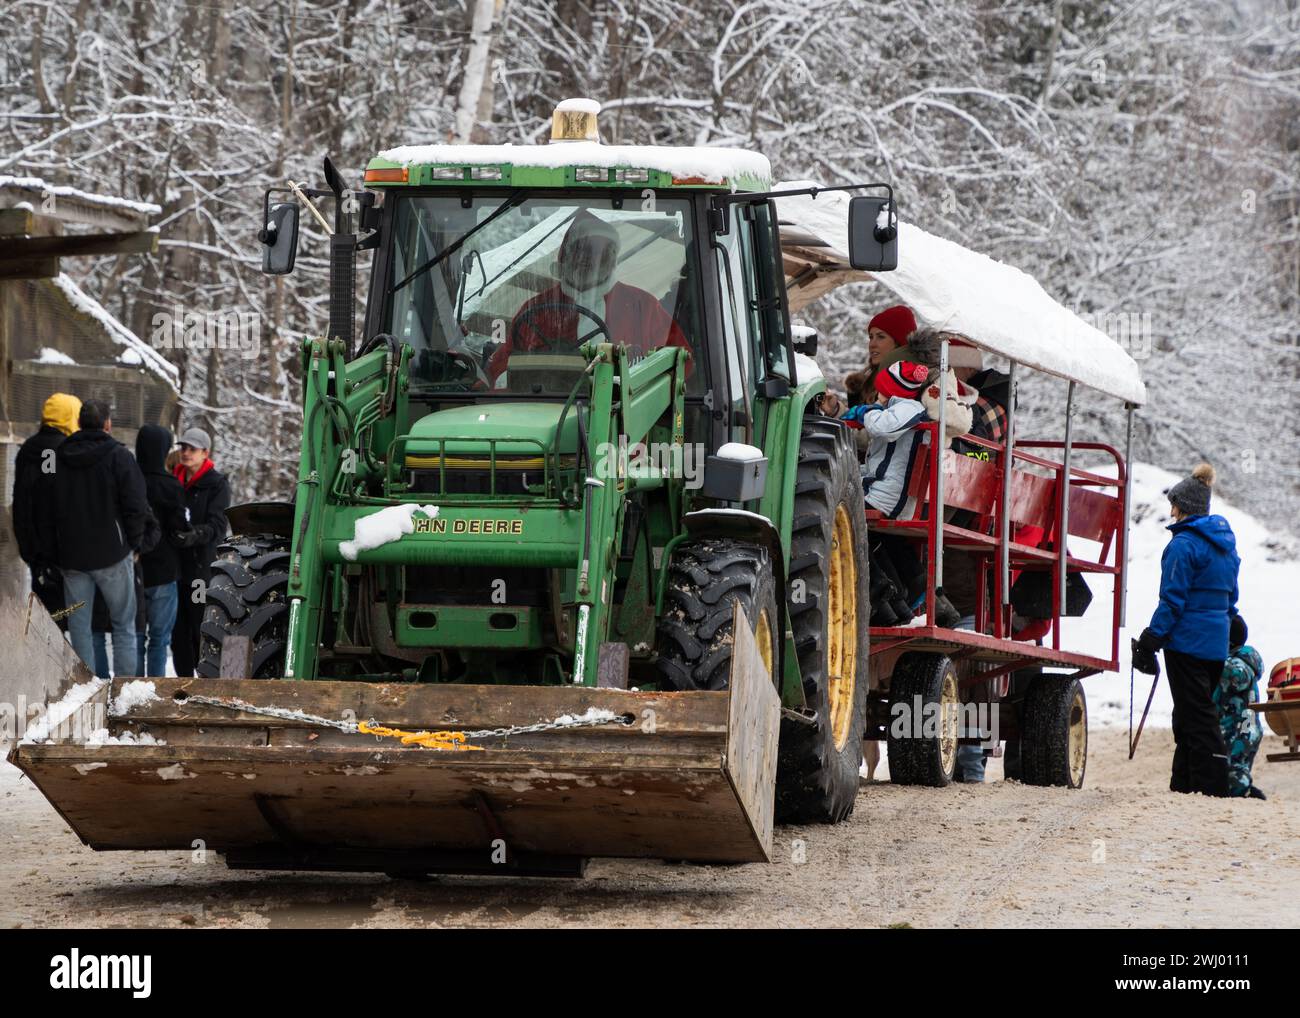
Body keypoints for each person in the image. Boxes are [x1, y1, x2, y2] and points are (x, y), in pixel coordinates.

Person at [1131, 463, 1239, 797]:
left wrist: (1153, 637)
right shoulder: (1225, 545)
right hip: (1216, 642)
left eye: (1173, 504)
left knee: (1198, 715)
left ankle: (1212, 785)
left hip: (1187, 642)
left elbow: (1173, 600)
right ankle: (1184, 784)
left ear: (1182, 507)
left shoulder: (1183, 545)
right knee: (1191, 711)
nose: (1171, 510)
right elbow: (1229, 595)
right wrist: (1230, 618)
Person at [487, 210, 691, 384]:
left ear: (613, 261)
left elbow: (681, 365)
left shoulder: (643, 307)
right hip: (545, 407)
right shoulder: (536, 309)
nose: (589, 260)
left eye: (602, 253)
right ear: (564, 256)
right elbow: (500, 370)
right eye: (580, 250)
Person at [46, 399, 152, 677]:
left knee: (79, 628)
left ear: (78, 423)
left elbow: (47, 505)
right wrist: (134, 543)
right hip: (113, 557)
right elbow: (136, 504)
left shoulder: (58, 456)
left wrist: (56, 548)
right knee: (123, 626)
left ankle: (84, 691)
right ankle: (125, 691)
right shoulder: (120, 456)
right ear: (108, 424)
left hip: (72, 559)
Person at [12, 392, 81, 625]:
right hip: (59, 552)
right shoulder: (58, 451)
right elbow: (53, 498)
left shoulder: (28, 449)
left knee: (44, 618)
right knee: (66, 618)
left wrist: (30, 551)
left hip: (34, 550)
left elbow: (22, 502)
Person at [170, 426, 231, 677]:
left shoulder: (217, 484)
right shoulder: (173, 480)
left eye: (191, 449)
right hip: (174, 566)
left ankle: (203, 676)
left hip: (199, 568)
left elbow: (218, 526)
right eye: (183, 448)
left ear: (205, 452)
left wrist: (194, 535)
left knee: (198, 625)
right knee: (177, 630)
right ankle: (182, 680)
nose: (186, 453)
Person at [135, 425, 193, 677]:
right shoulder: (171, 485)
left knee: (134, 636)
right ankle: (154, 688)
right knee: (160, 639)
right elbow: (179, 527)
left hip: (133, 569)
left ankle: (130, 686)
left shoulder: (129, 480)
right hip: (165, 571)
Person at [1215, 614, 1265, 799]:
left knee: (1234, 770)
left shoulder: (1236, 664)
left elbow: (1238, 677)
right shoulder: (1245, 660)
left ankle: (1244, 792)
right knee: (1237, 767)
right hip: (1245, 728)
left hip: (1239, 729)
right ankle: (1245, 789)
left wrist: (1217, 661)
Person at [843, 304, 916, 407]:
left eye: (880, 337)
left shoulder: (916, 383)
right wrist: (836, 410)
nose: (872, 344)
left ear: (899, 343)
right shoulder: (863, 385)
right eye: (871, 337)